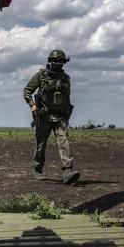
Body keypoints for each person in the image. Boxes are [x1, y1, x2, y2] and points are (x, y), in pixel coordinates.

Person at [23, 49, 80, 184]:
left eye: (60, 61)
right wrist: (32, 105)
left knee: (64, 142)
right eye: (55, 60)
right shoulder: (41, 75)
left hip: (60, 117)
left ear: (64, 62)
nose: (58, 62)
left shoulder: (66, 78)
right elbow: (27, 91)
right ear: (50, 61)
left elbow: (67, 98)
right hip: (44, 116)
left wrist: (67, 114)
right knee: (41, 145)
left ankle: (67, 172)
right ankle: (38, 168)